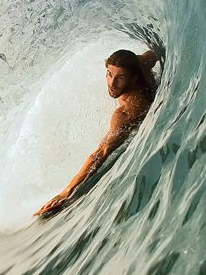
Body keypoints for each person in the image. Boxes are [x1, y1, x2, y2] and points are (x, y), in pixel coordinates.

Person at [35, 49, 159, 216]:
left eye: (119, 78)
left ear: (134, 78)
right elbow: (153, 53)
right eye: (109, 74)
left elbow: (101, 152)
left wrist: (67, 191)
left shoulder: (125, 113)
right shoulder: (141, 62)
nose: (111, 83)